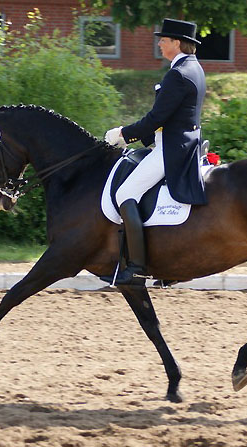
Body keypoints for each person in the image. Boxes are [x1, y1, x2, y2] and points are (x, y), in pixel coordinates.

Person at [101, 18, 207, 286]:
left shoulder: (178, 73)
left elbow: (156, 117)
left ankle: (136, 266)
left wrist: (123, 134)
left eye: (163, 39)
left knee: (125, 192)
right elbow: (168, 117)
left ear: (176, 43)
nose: (159, 43)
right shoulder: (192, 68)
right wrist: (138, 136)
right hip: (179, 141)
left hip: (171, 149)